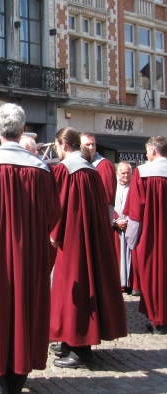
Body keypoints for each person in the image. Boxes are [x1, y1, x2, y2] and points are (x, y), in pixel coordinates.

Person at [0, 104, 61, 394]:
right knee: (25, 308)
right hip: (29, 253)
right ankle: (17, 380)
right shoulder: (41, 169)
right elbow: (52, 215)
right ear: (22, 130)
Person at [50, 127, 127, 368]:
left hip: (72, 241)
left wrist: (53, 233)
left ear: (63, 145)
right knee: (73, 290)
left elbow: (58, 206)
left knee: (76, 290)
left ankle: (80, 348)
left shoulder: (65, 170)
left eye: (56, 146)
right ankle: (68, 339)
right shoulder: (91, 171)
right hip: (89, 238)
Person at [124, 136, 167, 335]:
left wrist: (131, 239)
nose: (146, 154)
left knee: (152, 275)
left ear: (153, 151)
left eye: (147, 150)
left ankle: (157, 319)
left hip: (150, 236)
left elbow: (136, 211)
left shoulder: (142, 172)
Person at [81, 132, 117, 219]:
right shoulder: (82, 164)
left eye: (93, 144)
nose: (91, 148)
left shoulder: (104, 165)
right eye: (87, 144)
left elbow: (107, 197)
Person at [113, 162, 133, 293]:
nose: (126, 175)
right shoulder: (113, 186)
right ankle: (118, 282)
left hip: (131, 225)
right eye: (123, 173)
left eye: (128, 172)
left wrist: (127, 220)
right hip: (115, 225)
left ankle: (130, 282)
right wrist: (116, 219)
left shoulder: (135, 186)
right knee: (117, 255)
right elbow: (108, 202)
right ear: (118, 173)